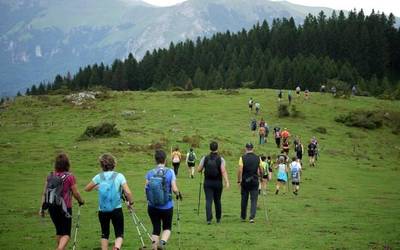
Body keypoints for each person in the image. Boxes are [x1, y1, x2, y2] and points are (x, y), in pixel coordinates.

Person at [85, 153, 134, 250]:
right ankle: (116, 247)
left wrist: (98, 187)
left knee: (104, 233)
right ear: (114, 164)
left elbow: (87, 188)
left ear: (101, 165)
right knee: (119, 233)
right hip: (116, 209)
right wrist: (130, 203)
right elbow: (127, 192)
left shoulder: (99, 177)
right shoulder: (119, 176)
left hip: (102, 210)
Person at [40, 153, 85, 250]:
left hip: (51, 207)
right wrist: (81, 201)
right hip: (65, 208)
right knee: (66, 234)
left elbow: (44, 193)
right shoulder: (70, 177)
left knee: (59, 231)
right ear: (67, 164)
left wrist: (42, 208)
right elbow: (75, 192)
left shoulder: (50, 176)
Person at [145, 150, 182, 250]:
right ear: (165, 160)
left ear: (155, 160)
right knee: (167, 227)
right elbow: (174, 188)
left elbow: (147, 188)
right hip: (167, 206)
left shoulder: (149, 173)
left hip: (152, 206)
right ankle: (162, 242)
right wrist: (178, 194)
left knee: (156, 228)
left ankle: (154, 247)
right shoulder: (170, 172)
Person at [198, 141, 230, 224]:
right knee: (217, 200)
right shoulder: (221, 159)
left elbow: (199, 169)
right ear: (217, 148)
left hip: (207, 182)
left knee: (208, 200)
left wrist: (203, 168)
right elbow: (223, 171)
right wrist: (226, 181)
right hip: (218, 183)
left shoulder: (205, 158)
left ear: (210, 148)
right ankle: (218, 218)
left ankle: (209, 219)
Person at [237, 143, 263, 223]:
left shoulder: (242, 158)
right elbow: (261, 169)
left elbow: (240, 170)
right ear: (253, 148)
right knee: (254, 199)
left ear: (246, 148)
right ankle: (252, 217)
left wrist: (239, 180)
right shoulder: (258, 158)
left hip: (245, 181)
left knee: (244, 199)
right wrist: (261, 177)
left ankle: (243, 217)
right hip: (254, 181)